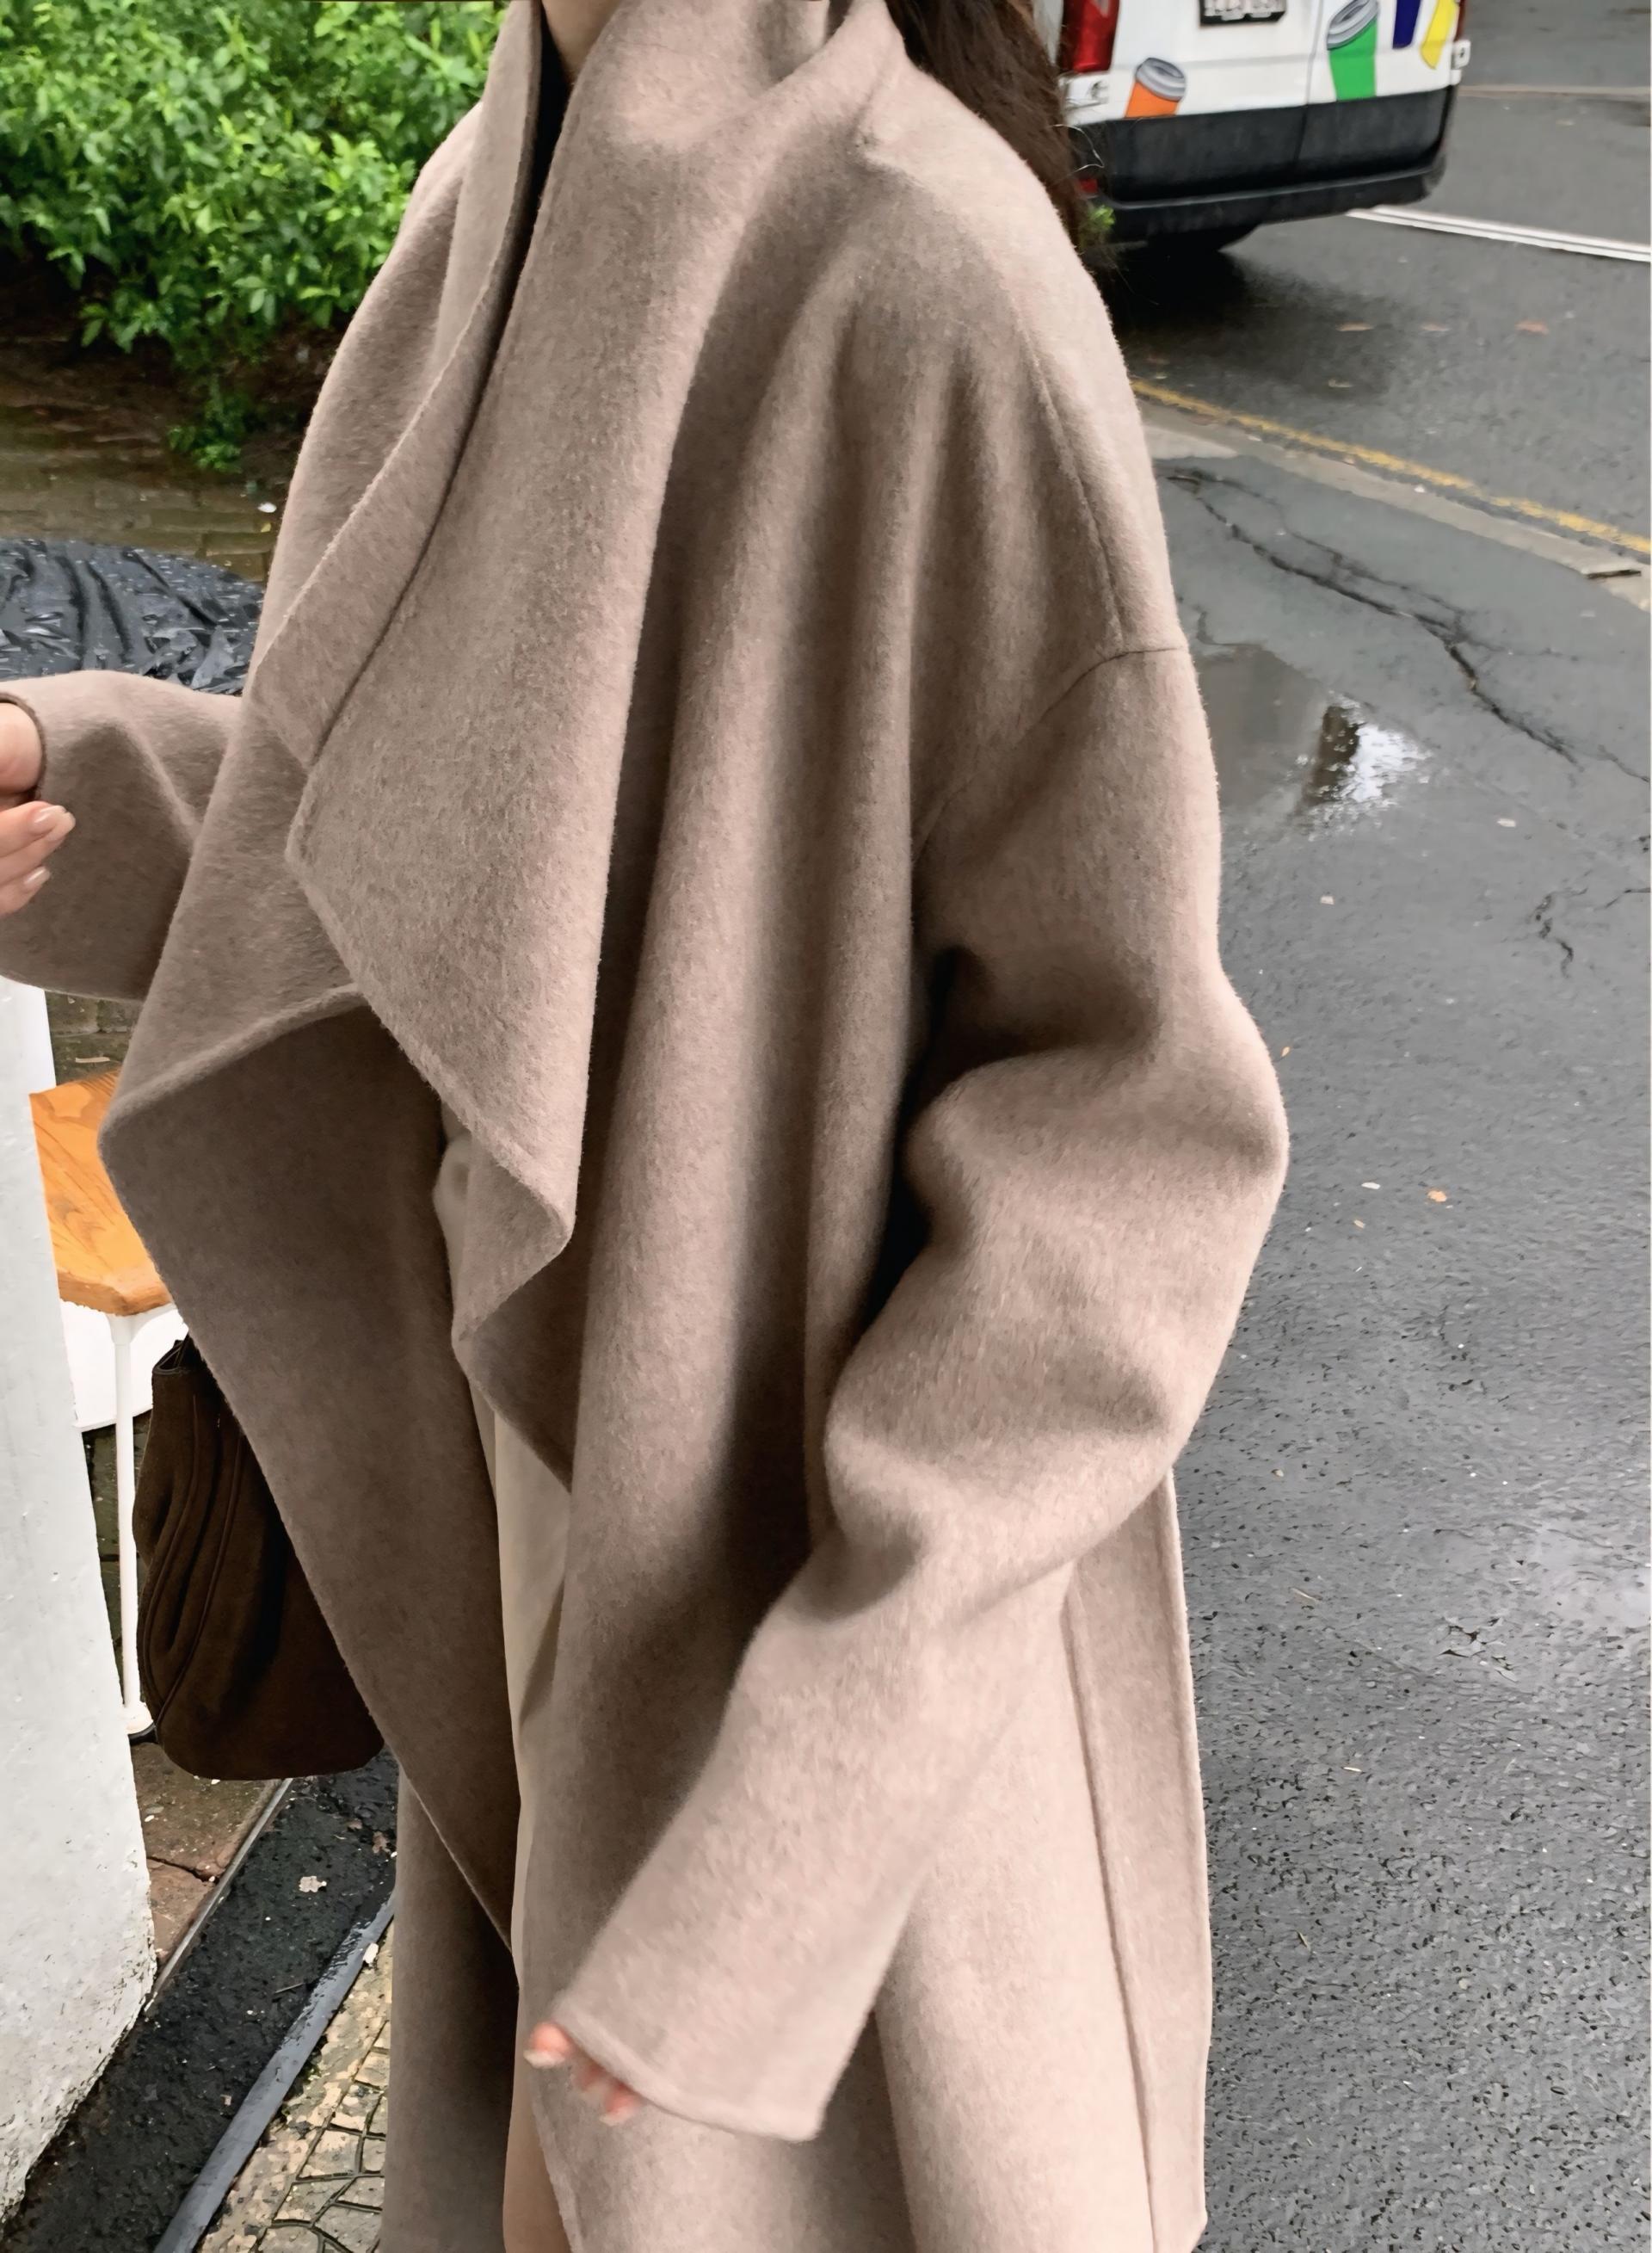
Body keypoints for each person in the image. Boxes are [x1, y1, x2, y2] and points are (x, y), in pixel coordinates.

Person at [0, 0, 1288, 2244]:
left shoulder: (932, 274)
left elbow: (1126, 1142)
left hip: (842, 1742)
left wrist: (779, 1831)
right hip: (550, 1618)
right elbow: (448, 866)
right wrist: (82, 788)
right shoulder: (480, 212)